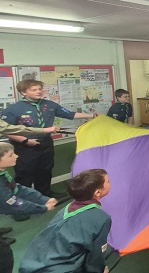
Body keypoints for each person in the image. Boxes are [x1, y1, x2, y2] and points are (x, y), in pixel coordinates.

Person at [1, 80, 95, 200]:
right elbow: (7, 130)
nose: (39, 91)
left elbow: (70, 114)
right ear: (23, 92)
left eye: (40, 89)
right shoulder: (13, 109)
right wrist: (25, 141)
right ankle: (22, 203)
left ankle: (45, 195)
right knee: (24, 175)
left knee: (45, 171)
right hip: (24, 146)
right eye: (34, 90)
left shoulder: (49, 105)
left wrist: (92, 116)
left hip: (45, 143)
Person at [20, 169, 112, 273]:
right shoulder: (101, 218)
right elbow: (95, 255)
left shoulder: (67, 209)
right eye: (108, 181)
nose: (110, 183)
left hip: (33, 264)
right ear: (98, 192)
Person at [0, 142, 57, 273]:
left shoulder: (3, 174)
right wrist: (42, 208)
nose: (16, 156)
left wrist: (43, 199)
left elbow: (17, 189)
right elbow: (14, 203)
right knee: (4, 256)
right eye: (10, 155)